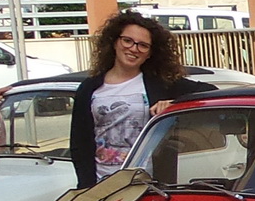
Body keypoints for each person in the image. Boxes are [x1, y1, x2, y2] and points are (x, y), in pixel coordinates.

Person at [70, 10, 215, 187]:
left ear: (150, 53)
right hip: (101, 188)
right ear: (115, 42)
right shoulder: (89, 88)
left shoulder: (161, 84)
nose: (134, 49)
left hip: (150, 188)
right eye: (127, 41)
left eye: (143, 45)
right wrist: (86, 188)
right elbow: (79, 144)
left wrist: (173, 104)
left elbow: (210, 93)